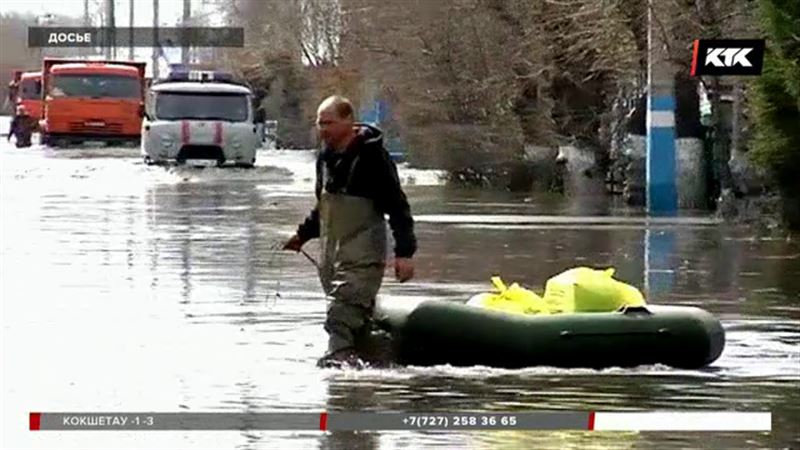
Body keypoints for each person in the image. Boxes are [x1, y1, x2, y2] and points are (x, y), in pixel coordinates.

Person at [283, 95, 416, 368]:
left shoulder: (373, 157)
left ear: (348, 122)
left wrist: (404, 253)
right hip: (332, 257)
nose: (323, 130)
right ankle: (363, 380)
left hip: (363, 257)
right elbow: (324, 207)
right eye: (319, 124)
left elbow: (398, 207)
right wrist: (302, 235)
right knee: (354, 322)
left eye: (328, 123)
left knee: (339, 316)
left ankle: (338, 365)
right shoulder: (325, 158)